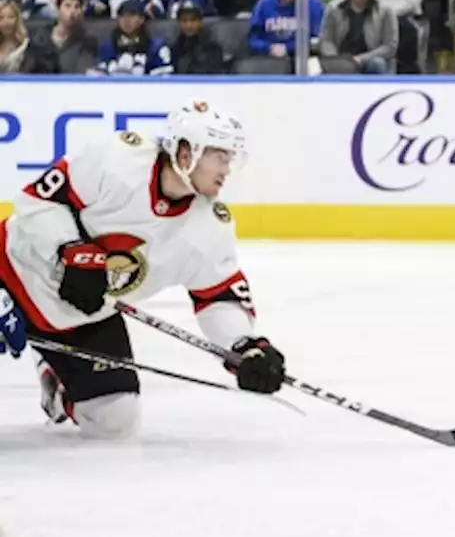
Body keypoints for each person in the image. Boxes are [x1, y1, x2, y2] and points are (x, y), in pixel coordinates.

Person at [0, 100, 287, 437]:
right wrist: (71, 249)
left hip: (83, 316)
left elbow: (218, 295)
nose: (227, 169)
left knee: (114, 421)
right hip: (12, 273)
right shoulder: (119, 159)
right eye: (220, 156)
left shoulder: (210, 228)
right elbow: (38, 200)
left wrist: (244, 345)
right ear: (186, 152)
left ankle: (56, 378)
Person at [318, 0, 397, 74]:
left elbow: (390, 46)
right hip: (340, 59)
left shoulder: (385, 11)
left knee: (378, 64)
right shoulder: (334, 8)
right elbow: (326, 40)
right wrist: (338, 60)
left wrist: (361, 59)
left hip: (370, 60)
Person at [248, 0, 324, 59]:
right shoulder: (264, 4)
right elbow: (253, 39)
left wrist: (287, 48)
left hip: (302, 58)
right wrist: (269, 48)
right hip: (269, 58)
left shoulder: (313, 4)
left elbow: (315, 41)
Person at [19, 0, 99, 73]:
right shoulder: (39, 38)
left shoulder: (87, 41)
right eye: (67, 6)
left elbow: (85, 69)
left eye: (77, 7)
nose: (72, 11)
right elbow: (26, 71)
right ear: (58, 9)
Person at [91, 0, 173, 75]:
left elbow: (163, 80)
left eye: (132, 15)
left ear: (142, 19)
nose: (126, 20)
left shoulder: (156, 47)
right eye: (122, 16)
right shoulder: (107, 47)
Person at [171, 1, 225, 73]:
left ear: (200, 22)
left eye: (193, 20)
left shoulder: (212, 47)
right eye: (184, 21)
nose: (189, 25)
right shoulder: (176, 48)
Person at [0, 0, 28, 72]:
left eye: (11, 17)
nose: (6, 22)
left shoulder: (26, 45)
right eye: (1, 18)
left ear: (17, 19)